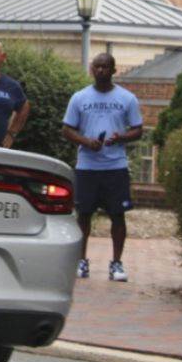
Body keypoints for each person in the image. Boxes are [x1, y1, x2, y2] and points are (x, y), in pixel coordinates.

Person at [61, 53, 143, 282]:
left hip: (115, 166)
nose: (101, 71)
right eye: (97, 67)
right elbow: (67, 129)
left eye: (105, 67)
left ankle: (116, 263)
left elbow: (138, 129)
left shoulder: (127, 98)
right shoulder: (79, 97)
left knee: (117, 215)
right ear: (91, 69)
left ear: (114, 70)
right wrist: (87, 142)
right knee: (83, 214)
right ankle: (81, 261)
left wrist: (121, 137)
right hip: (87, 166)